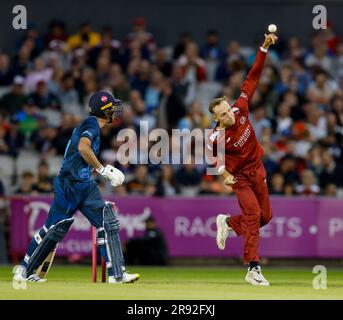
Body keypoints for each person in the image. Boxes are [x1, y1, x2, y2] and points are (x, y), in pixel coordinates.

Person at [13, 90, 140, 284]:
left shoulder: (96, 128)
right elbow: (82, 147)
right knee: (54, 229)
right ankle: (24, 269)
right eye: (111, 107)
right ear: (103, 110)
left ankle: (117, 274)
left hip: (85, 185)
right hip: (69, 184)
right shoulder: (91, 124)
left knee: (107, 222)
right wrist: (102, 169)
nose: (116, 110)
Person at [207, 33, 278, 286]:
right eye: (224, 115)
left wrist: (264, 48)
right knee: (253, 214)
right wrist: (225, 174)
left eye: (228, 110)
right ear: (217, 118)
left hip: (257, 169)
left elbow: (253, 77)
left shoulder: (241, 108)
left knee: (265, 217)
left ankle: (227, 222)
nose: (230, 116)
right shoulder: (216, 135)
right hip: (240, 179)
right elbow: (213, 159)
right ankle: (253, 268)